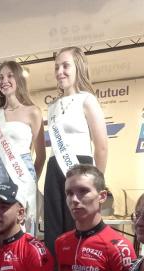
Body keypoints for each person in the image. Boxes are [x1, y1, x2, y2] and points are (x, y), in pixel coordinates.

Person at [44, 46, 109, 257]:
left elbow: (101, 146)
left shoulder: (87, 100)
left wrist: (97, 183)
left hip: (81, 167)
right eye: (57, 67)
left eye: (66, 66)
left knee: (80, 225)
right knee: (54, 229)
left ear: (78, 67)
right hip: (54, 168)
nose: (60, 71)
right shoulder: (52, 107)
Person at [0, 61, 46, 236]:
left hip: (24, 172)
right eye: (0, 77)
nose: (4, 81)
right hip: (0, 172)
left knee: (24, 221)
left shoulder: (33, 112)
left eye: (10, 76)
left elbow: (41, 156)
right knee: (1, 218)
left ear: (19, 79)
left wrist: (30, 181)